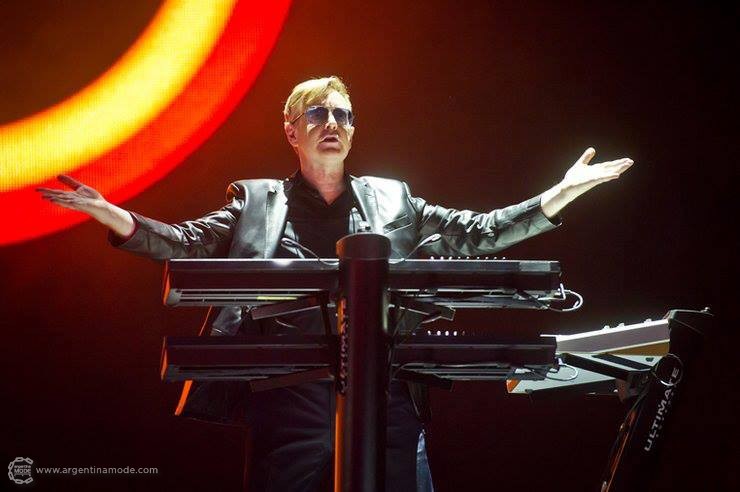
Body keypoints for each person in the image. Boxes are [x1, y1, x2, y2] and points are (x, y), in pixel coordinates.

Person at [37, 75, 633, 491]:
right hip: (289, 389)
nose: (332, 123)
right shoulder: (257, 202)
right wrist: (113, 214)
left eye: (342, 115)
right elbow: (186, 243)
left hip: (384, 388)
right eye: (318, 114)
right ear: (291, 132)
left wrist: (560, 194)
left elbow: (477, 233)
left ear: (352, 131)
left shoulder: (394, 198)